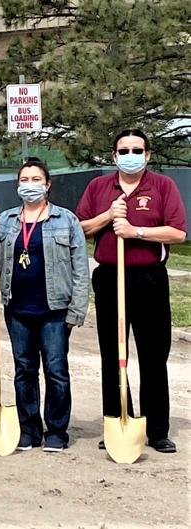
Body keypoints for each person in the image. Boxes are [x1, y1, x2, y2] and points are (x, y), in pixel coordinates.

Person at [75, 129, 186, 453]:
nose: (130, 155)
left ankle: (157, 430)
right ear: (114, 155)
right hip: (110, 277)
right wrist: (109, 216)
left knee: (153, 355)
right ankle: (117, 419)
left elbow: (178, 232)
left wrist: (136, 231)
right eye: (124, 150)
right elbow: (80, 226)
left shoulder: (163, 186)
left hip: (148, 278)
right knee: (113, 355)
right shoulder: (99, 187)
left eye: (137, 150)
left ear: (148, 155)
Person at [0, 158, 89, 452]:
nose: (30, 185)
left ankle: (56, 430)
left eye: (36, 179)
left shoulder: (66, 220)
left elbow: (80, 269)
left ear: (47, 184)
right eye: (24, 180)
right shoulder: (5, 220)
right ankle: (29, 428)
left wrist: (77, 310)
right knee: (24, 369)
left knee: (56, 370)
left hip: (54, 310)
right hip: (18, 309)